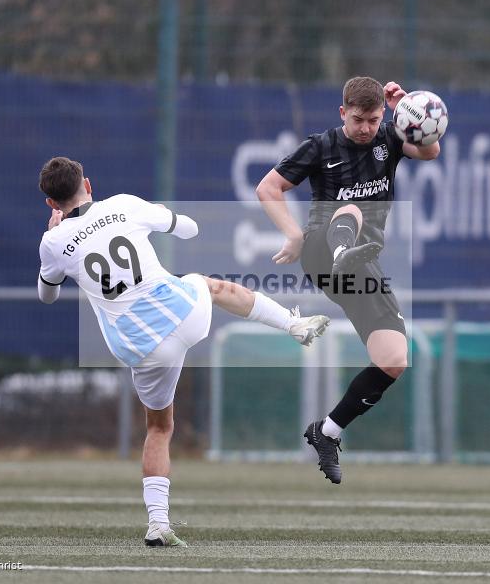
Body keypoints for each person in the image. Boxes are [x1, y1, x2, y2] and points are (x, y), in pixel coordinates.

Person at [36, 157, 330, 546]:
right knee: (206, 284)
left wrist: (55, 236)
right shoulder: (123, 204)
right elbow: (190, 229)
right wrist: (158, 217)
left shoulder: (52, 242)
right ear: (88, 184)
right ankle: (292, 324)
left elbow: (48, 295)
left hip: (138, 347)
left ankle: (158, 524)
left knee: (158, 429)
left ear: (51, 204)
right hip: (180, 315)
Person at [256, 77, 440, 484]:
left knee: (394, 359)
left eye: (374, 120)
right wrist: (291, 233)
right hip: (322, 252)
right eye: (358, 119)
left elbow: (429, 150)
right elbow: (269, 186)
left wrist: (406, 108)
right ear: (343, 113)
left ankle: (327, 432)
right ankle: (343, 253)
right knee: (351, 210)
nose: (366, 128)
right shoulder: (321, 146)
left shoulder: (389, 137)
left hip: (362, 264)